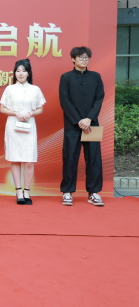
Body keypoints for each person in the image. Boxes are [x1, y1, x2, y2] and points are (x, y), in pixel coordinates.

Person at [59, 46, 105, 207]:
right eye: (81, 57)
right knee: (70, 157)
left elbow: (99, 98)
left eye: (86, 57)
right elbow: (64, 100)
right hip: (72, 125)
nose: (84, 60)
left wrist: (89, 118)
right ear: (73, 59)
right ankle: (67, 192)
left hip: (92, 124)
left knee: (94, 159)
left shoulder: (96, 77)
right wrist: (79, 120)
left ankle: (94, 193)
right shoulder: (66, 77)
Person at [0, 59, 45, 205]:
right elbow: (2, 108)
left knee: (29, 160)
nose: (20, 74)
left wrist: (30, 113)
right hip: (13, 125)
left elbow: (40, 108)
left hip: (29, 125)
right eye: (18, 71)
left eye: (23, 71)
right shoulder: (10, 89)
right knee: (16, 158)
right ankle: (18, 191)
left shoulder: (35, 89)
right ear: (14, 73)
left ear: (28, 73)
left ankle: (27, 191)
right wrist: (16, 113)